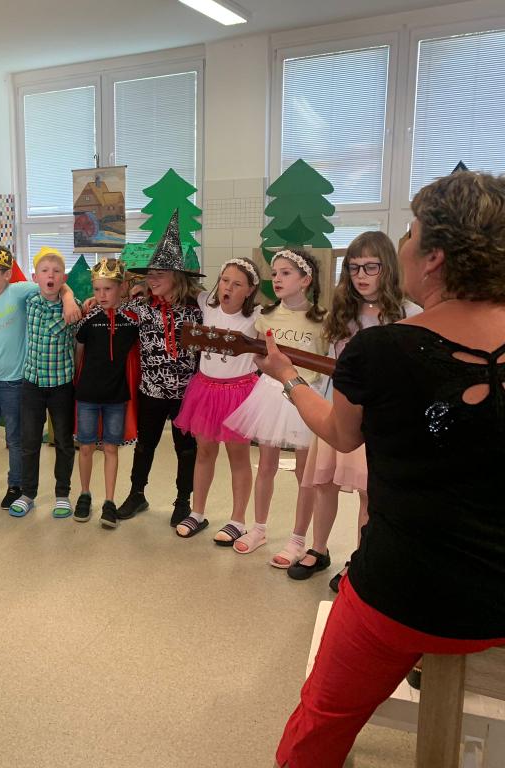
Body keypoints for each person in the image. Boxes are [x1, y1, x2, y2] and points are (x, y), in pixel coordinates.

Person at [268, 170, 505, 768]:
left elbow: (341, 434)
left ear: (435, 257)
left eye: (410, 232)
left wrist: (289, 377)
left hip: (401, 593)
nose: (402, 245)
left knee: (319, 724)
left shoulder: (381, 350)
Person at [289, 232, 419, 583]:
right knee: (324, 482)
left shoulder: (409, 314)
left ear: (388, 267)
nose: (361, 275)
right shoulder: (342, 313)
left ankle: (359, 560)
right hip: (339, 406)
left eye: (370, 267)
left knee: (367, 491)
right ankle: (318, 549)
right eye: (354, 267)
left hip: (382, 415)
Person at [223, 248, 327, 567]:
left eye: (285, 273)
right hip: (270, 393)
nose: (277, 279)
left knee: (304, 473)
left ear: (305, 280)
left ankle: (298, 539)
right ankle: (258, 529)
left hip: (305, 395)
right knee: (266, 465)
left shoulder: (322, 319)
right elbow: (259, 356)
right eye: (274, 273)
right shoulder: (266, 316)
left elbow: (326, 361)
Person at [0, 245, 80, 507]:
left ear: (7, 275)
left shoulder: (20, 293)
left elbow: (54, 283)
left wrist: (70, 297)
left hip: (28, 383)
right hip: (3, 381)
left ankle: (31, 489)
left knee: (31, 440)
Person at [115, 210, 204, 527]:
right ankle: (137, 493)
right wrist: (85, 302)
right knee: (145, 445)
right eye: (149, 273)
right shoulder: (140, 308)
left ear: (177, 276)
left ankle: (183, 501)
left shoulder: (196, 309)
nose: (151, 278)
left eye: (159, 273)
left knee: (186, 449)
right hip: (151, 391)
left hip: (186, 393)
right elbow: (110, 311)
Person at [172, 258, 261, 541]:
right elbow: (180, 285)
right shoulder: (207, 304)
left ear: (250, 290)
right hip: (206, 390)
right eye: (224, 281)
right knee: (205, 452)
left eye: (237, 284)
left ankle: (238, 520)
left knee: (238, 456)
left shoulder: (257, 316)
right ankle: (197, 512)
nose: (228, 288)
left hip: (239, 393)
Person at [12, 247, 80, 519]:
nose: (50, 276)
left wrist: (69, 297)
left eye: (56, 272)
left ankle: (62, 494)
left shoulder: (73, 308)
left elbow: (79, 343)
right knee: (29, 441)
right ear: (35, 277)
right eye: (44, 271)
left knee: (63, 442)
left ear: (64, 278)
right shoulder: (28, 301)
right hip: (32, 384)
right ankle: (28, 493)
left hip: (61, 385)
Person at [73, 257, 140, 527]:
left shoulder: (132, 321)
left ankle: (109, 501)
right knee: (86, 447)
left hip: (117, 397)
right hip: (87, 395)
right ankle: (84, 494)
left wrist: (134, 292)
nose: (102, 295)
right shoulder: (87, 319)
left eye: (108, 289)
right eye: (97, 289)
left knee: (111, 448)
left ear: (121, 288)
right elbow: (79, 355)